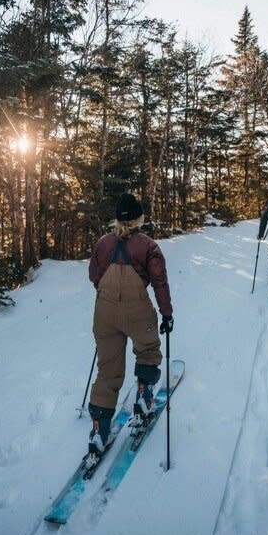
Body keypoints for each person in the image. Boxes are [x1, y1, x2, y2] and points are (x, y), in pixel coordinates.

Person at [86, 193, 174, 464]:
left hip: (105, 312)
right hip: (137, 311)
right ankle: (144, 396)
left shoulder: (103, 244)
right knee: (148, 349)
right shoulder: (148, 246)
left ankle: (100, 430)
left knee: (108, 369)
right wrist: (166, 314)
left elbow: (94, 275)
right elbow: (159, 282)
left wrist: (110, 297)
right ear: (139, 218)